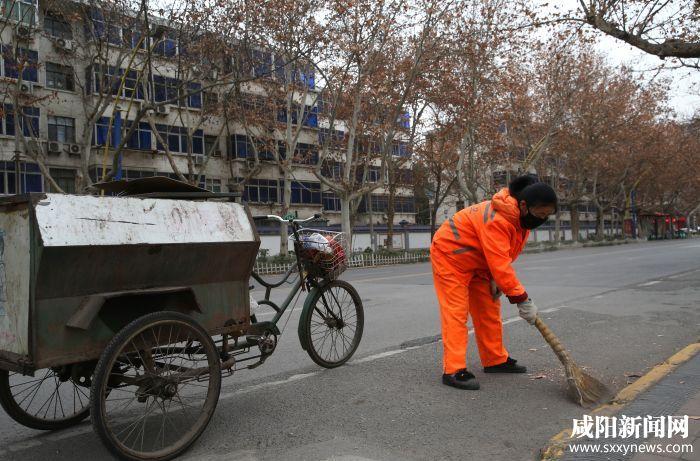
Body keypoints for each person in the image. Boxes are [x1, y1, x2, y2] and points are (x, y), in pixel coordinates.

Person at [430, 175, 558, 390]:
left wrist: (494, 277)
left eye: (547, 215)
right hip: (451, 256)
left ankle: (495, 359)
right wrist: (522, 299)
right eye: (540, 213)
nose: (542, 219)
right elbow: (500, 262)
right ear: (524, 205)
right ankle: (453, 370)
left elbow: (503, 255)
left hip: (480, 262)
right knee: (456, 313)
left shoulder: (520, 218)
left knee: (488, 310)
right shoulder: (498, 219)